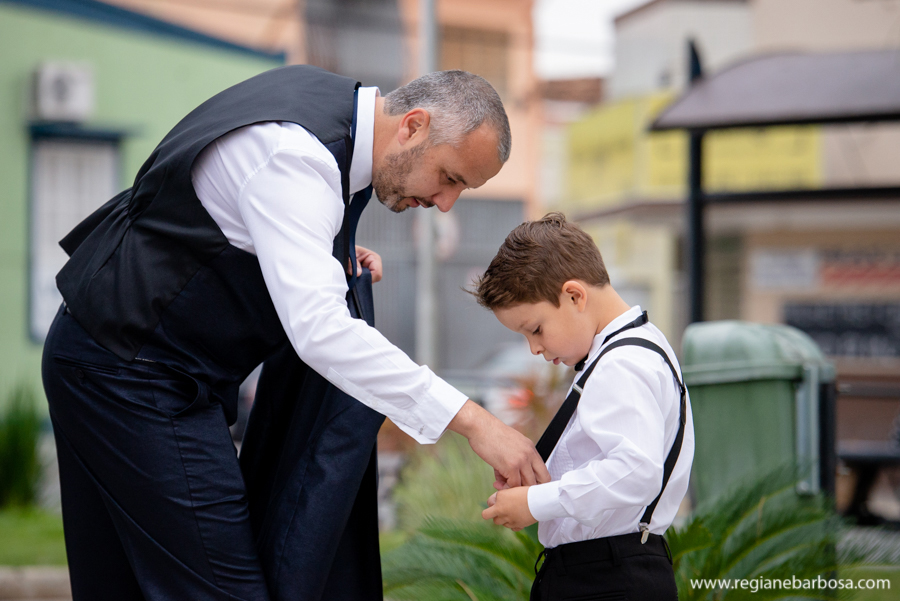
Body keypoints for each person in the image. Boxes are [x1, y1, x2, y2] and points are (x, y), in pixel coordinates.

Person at [42, 66, 548, 601]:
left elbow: (243, 224)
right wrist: (474, 422)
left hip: (128, 362)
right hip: (123, 374)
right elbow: (321, 331)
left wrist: (329, 257)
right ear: (414, 126)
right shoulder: (295, 157)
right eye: (450, 178)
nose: (446, 203)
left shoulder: (326, 116)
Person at [475, 213, 694, 601]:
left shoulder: (620, 363)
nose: (535, 349)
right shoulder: (632, 348)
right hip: (612, 571)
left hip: (606, 579)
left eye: (536, 329)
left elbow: (635, 472)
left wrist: (536, 502)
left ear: (575, 296)